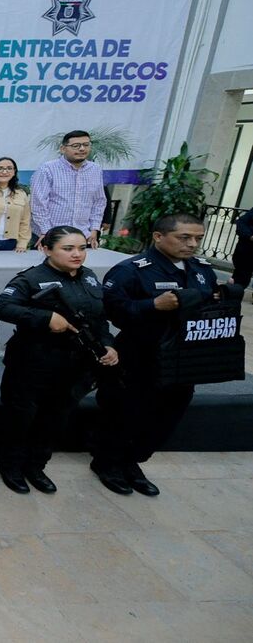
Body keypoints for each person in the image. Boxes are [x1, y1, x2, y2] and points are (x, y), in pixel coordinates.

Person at [91, 213, 217, 497]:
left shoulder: (201, 269)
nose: (192, 244)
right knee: (127, 412)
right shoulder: (132, 270)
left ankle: (133, 461)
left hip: (184, 357)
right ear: (159, 236)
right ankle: (107, 463)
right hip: (141, 353)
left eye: (198, 238)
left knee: (167, 415)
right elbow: (112, 311)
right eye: (184, 238)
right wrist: (151, 306)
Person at [0, 225, 118, 494]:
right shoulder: (32, 278)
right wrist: (46, 318)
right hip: (34, 361)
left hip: (76, 364)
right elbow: (3, 307)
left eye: (82, 248)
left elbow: (99, 319)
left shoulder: (90, 278)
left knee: (55, 418)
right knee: (21, 417)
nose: (77, 254)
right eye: (68, 248)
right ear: (46, 249)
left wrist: (108, 344)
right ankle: (10, 466)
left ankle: (36, 466)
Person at [29, 130, 107, 248]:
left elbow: (99, 202)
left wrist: (94, 229)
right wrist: (47, 232)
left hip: (83, 235)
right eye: (76, 146)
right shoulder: (47, 169)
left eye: (86, 145)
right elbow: (38, 203)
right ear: (63, 148)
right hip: (50, 234)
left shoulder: (95, 169)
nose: (82, 149)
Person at [230, 207, 253, 295]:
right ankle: (233, 293)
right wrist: (250, 236)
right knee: (241, 274)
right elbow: (241, 222)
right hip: (247, 248)